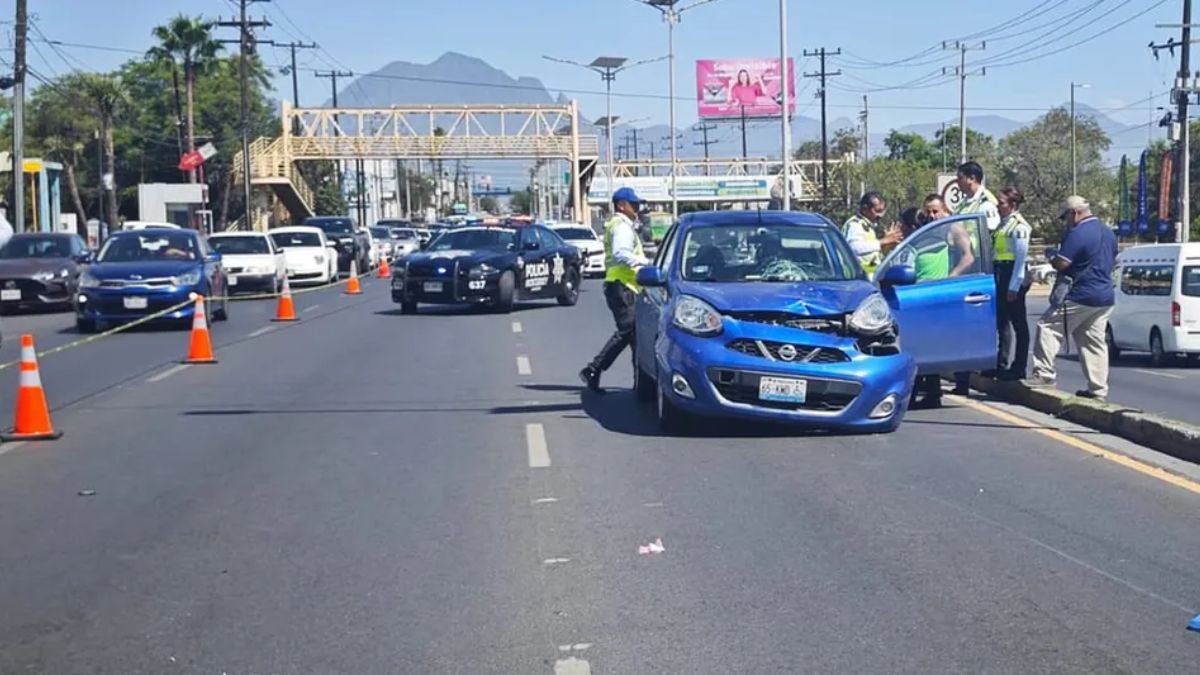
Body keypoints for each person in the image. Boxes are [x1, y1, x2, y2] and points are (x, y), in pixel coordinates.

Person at [1029, 195, 1118, 400]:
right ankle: (1098, 390)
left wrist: (1051, 256)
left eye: (1065, 217)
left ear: (1075, 213)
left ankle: (1044, 374)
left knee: (1048, 327)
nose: (1065, 222)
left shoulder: (1078, 233)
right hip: (1104, 297)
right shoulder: (1108, 233)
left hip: (1079, 294)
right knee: (1093, 341)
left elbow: (1063, 263)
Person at [580, 187, 650, 393]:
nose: (637, 208)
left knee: (635, 336)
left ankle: (640, 383)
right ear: (621, 205)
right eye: (633, 204)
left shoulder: (622, 226)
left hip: (624, 286)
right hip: (622, 287)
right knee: (628, 331)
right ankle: (593, 369)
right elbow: (621, 254)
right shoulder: (621, 228)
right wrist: (647, 263)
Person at [993, 187, 1033, 381]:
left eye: (1001, 203)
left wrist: (1014, 286)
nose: (997, 206)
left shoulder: (1019, 226)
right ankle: (1000, 363)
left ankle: (1019, 367)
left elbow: (1021, 258)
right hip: (1001, 273)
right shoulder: (1003, 224)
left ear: (1013, 205)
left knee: (1018, 324)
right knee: (1002, 323)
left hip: (1012, 274)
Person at [842, 192, 901, 277]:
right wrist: (882, 241)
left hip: (867, 276)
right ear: (864, 209)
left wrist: (886, 247)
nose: (880, 215)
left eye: (883, 211)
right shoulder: (855, 225)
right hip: (856, 279)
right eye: (877, 211)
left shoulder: (869, 226)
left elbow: (870, 263)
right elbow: (853, 248)